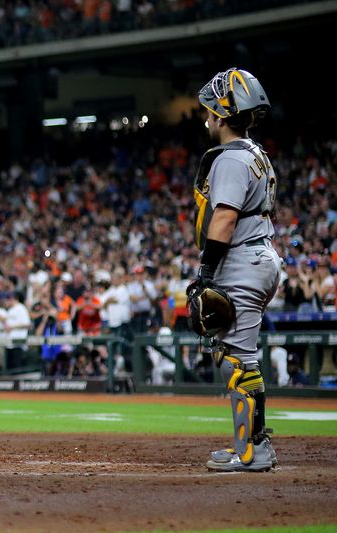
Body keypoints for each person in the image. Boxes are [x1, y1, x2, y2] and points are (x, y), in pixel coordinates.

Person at [192, 68, 281, 472]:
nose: (207, 118)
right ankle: (252, 444)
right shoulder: (257, 153)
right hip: (260, 256)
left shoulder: (230, 158)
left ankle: (252, 451)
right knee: (240, 356)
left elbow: (224, 216)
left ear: (223, 115)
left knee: (239, 360)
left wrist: (205, 270)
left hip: (243, 259)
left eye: (210, 111)